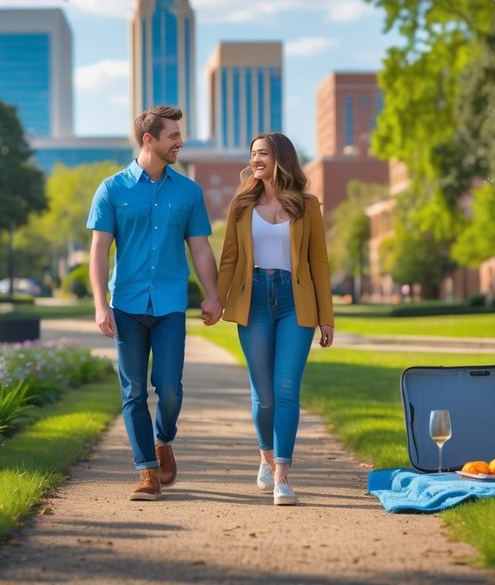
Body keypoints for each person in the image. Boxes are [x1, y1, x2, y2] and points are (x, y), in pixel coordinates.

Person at [88, 105, 223, 501]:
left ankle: (164, 440)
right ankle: (147, 471)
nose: (180, 142)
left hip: (169, 307)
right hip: (126, 305)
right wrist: (101, 304)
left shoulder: (189, 191)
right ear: (149, 140)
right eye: (172, 136)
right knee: (133, 392)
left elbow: (200, 248)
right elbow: (99, 250)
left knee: (169, 389)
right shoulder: (112, 189)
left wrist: (212, 295)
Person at [215, 131, 334, 505]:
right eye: (252, 154)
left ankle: (282, 475)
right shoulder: (241, 206)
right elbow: (230, 259)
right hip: (253, 301)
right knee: (264, 396)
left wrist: (326, 318)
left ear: (280, 157)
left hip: (294, 303)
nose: (255, 160)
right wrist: (216, 301)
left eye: (262, 153)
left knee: (285, 390)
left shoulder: (307, 206)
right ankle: (265, 456)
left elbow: (319, 263)